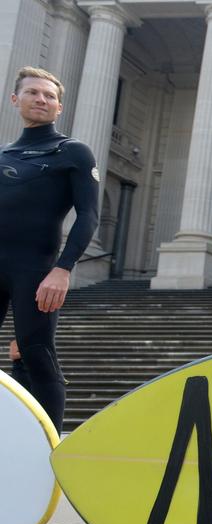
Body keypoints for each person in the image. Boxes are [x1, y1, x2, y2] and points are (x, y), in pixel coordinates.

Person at [0, 66, 99, 432]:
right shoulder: (3, 154)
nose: (41, 99)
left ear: (59, 107)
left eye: (49, 96)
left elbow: (88, 215)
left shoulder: (71, 152)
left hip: (37, 270)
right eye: (33, 92)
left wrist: (63, 268)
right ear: (16, 99)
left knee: (38, 355)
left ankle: (49, 451)